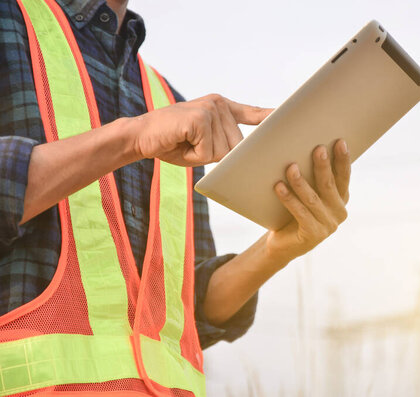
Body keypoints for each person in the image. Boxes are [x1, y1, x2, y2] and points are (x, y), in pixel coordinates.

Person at [0, 0, 350, 395]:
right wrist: (131, 138)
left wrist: (278, 248)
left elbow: (186, 315)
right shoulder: (9, 25)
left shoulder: (169, 103)